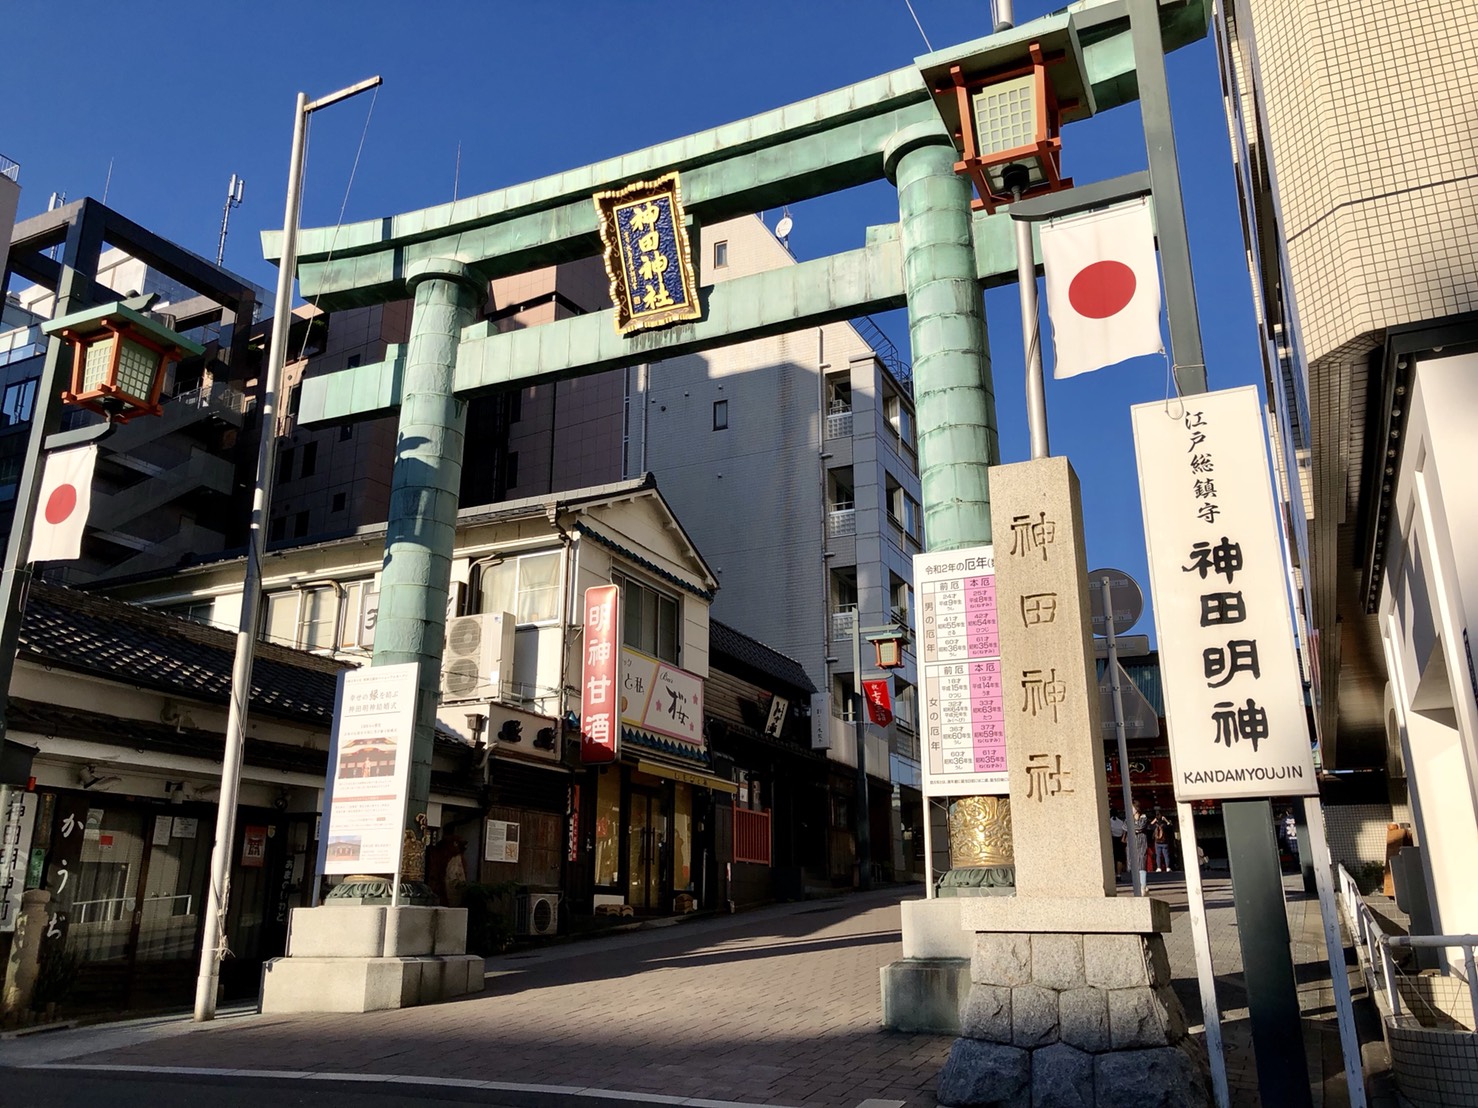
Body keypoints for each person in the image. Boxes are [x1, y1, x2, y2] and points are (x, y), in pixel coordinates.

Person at [1148, 806, 1173, 873]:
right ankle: (1168, 867)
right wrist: (1166, 820)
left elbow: (1149, 827)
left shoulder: (1155, 825)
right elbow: (1170, 826)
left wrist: (1154, 821)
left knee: (1158, 855)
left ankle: (1159, 867)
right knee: (1166, 855)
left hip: (1157, 842)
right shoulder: (1164, 825)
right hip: (1165, 842)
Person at [1109, 809, 1127, 879]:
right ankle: (1119, 874)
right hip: (1120, 839)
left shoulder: (1109, 822)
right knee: (1119, 858)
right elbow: (1123, 831)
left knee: (1113, 858)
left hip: (1113, 839)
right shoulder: (1120, 822)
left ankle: (1113, 873)